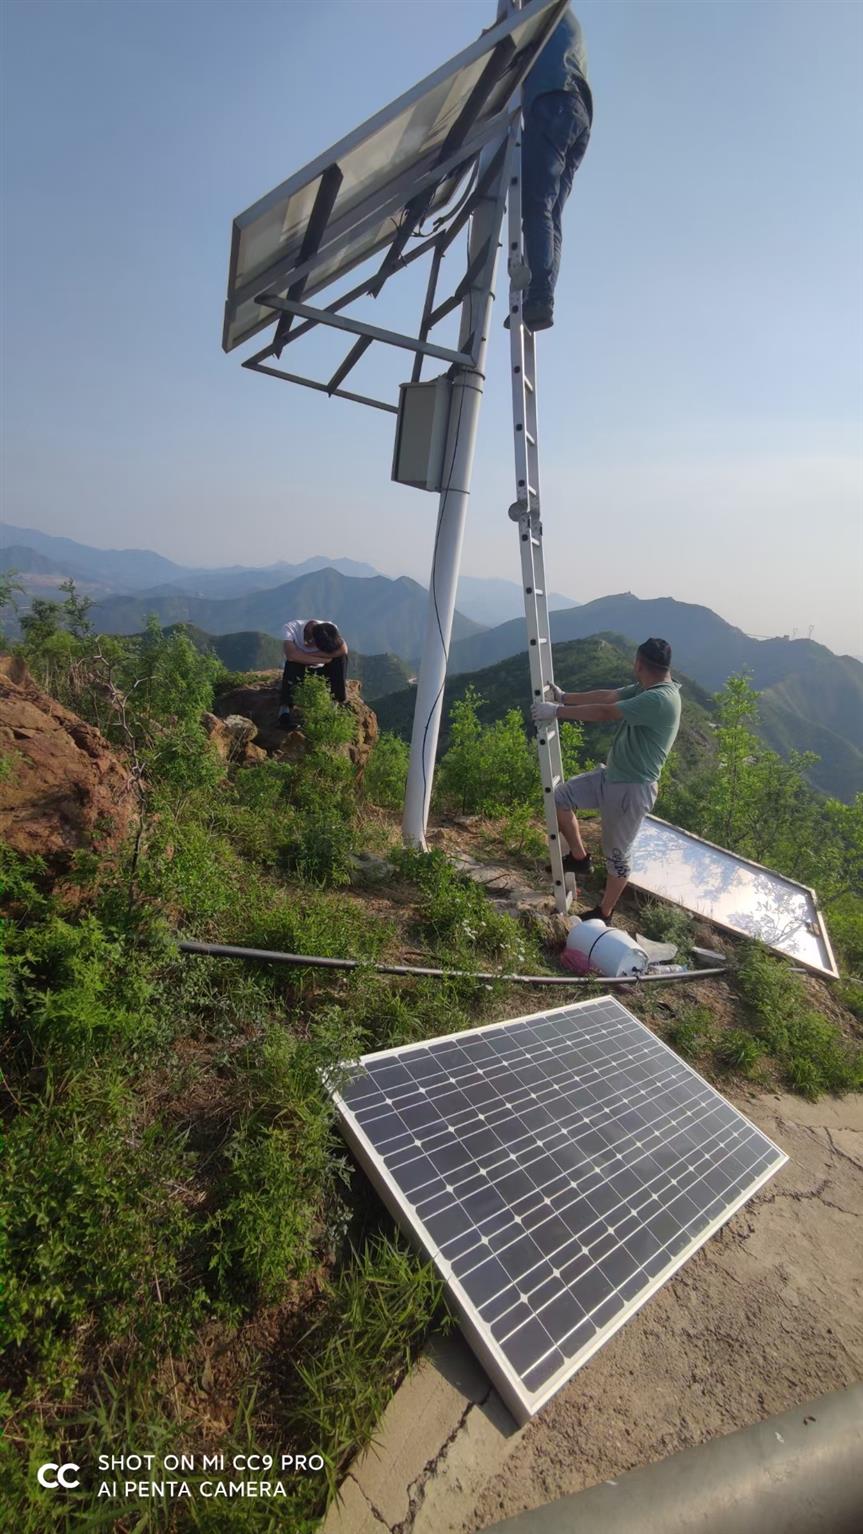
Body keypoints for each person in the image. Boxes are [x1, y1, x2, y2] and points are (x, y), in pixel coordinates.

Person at [531, 639, 681, 922]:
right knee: (560, 798)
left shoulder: (659, 699)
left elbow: (606, 712)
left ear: (639, 664)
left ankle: (605, 912)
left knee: (616, 857)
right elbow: (609, 696)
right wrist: (565, 697)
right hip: (612, 776)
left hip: (632, 789)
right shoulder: (650, 688)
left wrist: (557, 713)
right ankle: (579, 858)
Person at [518, 5, 593, 331]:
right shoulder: (565, 17)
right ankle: (541, 296)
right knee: (550, 212)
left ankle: (538, 295)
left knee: (536, 205)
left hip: (553, 101)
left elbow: (504, 39)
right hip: (578, 113)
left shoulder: (539, 8)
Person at [277, 618, 348, 729]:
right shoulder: (290, 629)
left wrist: (307, 655)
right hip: (298, 672)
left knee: (340, 659)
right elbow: (291, 655)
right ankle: (285, 712)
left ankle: (334, 704)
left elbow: (343, 650)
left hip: (322, 671)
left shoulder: (330, 628)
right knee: (293, 662)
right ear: (312, 639)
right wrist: (324, 659)